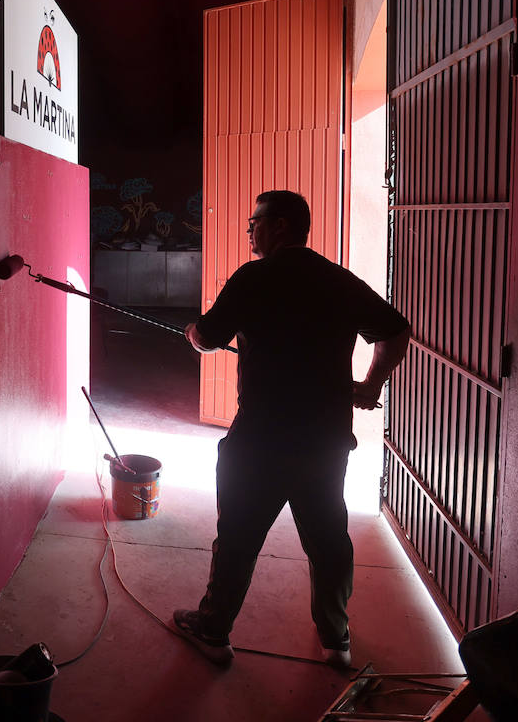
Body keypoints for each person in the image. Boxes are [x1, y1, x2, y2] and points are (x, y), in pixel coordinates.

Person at [172, 189, 411, 668]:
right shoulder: (338, 280)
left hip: (260, 440)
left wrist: (193, 334)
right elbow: (395, 330)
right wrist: (369, 385)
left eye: (255, 222)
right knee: (328, 541)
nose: (250, 231)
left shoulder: (254, 278)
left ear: (280, 225)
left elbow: (208, 337)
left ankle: (214, 631)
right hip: (324, 441)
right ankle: (335, 639)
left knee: (238, 537)